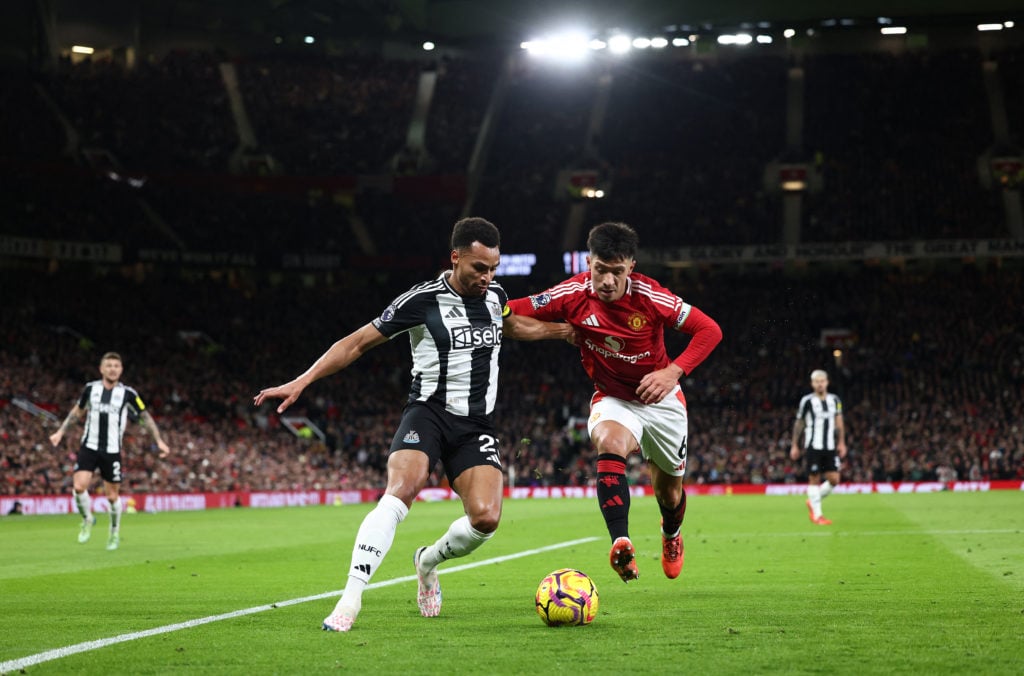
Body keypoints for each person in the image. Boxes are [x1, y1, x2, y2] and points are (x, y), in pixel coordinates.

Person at [254, 217, 571, 632]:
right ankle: (350, 600)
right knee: (401, 490)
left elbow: (513, 325)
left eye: (492, 268)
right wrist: (304, 379)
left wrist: (563, 331)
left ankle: (427, 561)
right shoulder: (419, 301)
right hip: (428, 413)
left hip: (477, 425)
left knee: (486, 518)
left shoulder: (495, 296)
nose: (487, 276)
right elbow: (356, 343)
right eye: (479, 267)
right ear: (455, 258)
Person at [506, 222, 722, 583]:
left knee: (669, 495)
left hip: (663, 400)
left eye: (616, 272)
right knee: (609, 441)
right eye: (599, 270)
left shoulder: (651, 297)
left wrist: (673, 371)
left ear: (631, 267)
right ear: (588, 261)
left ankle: (671, 535)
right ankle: (621, 542)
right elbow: (516, 310)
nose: (606, 280)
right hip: (614, 398)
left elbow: (710, 330)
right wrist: (550, 326)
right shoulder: (572, 293)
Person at [49, 352, 170, 550]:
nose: (113, 368)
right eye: (109, 365)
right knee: (79, 487)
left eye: (116, 366)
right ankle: (88, 519)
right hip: (89, 445)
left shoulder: (128, 394)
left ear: (121, 370)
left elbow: (145, 417)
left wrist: (159, 441)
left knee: (112, 497)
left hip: (112, 451)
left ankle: (114, 533)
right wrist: (60, 432)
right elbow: (77, 412)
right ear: (102, 369)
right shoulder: (90, 389)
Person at [790, 369, 847, 525]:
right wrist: (795, 444)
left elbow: (839, 421)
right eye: (817, 381)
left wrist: (841, 442)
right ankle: (817, 515)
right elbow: (799, 422)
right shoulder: (807, 401)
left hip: (830, 446)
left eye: (822, 381)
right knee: (814, 478)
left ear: (827, 382)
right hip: (813, 446)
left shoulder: (835, 400)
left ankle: (813, 501)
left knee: (834, 479)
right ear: (812, 384)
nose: (820, 384)